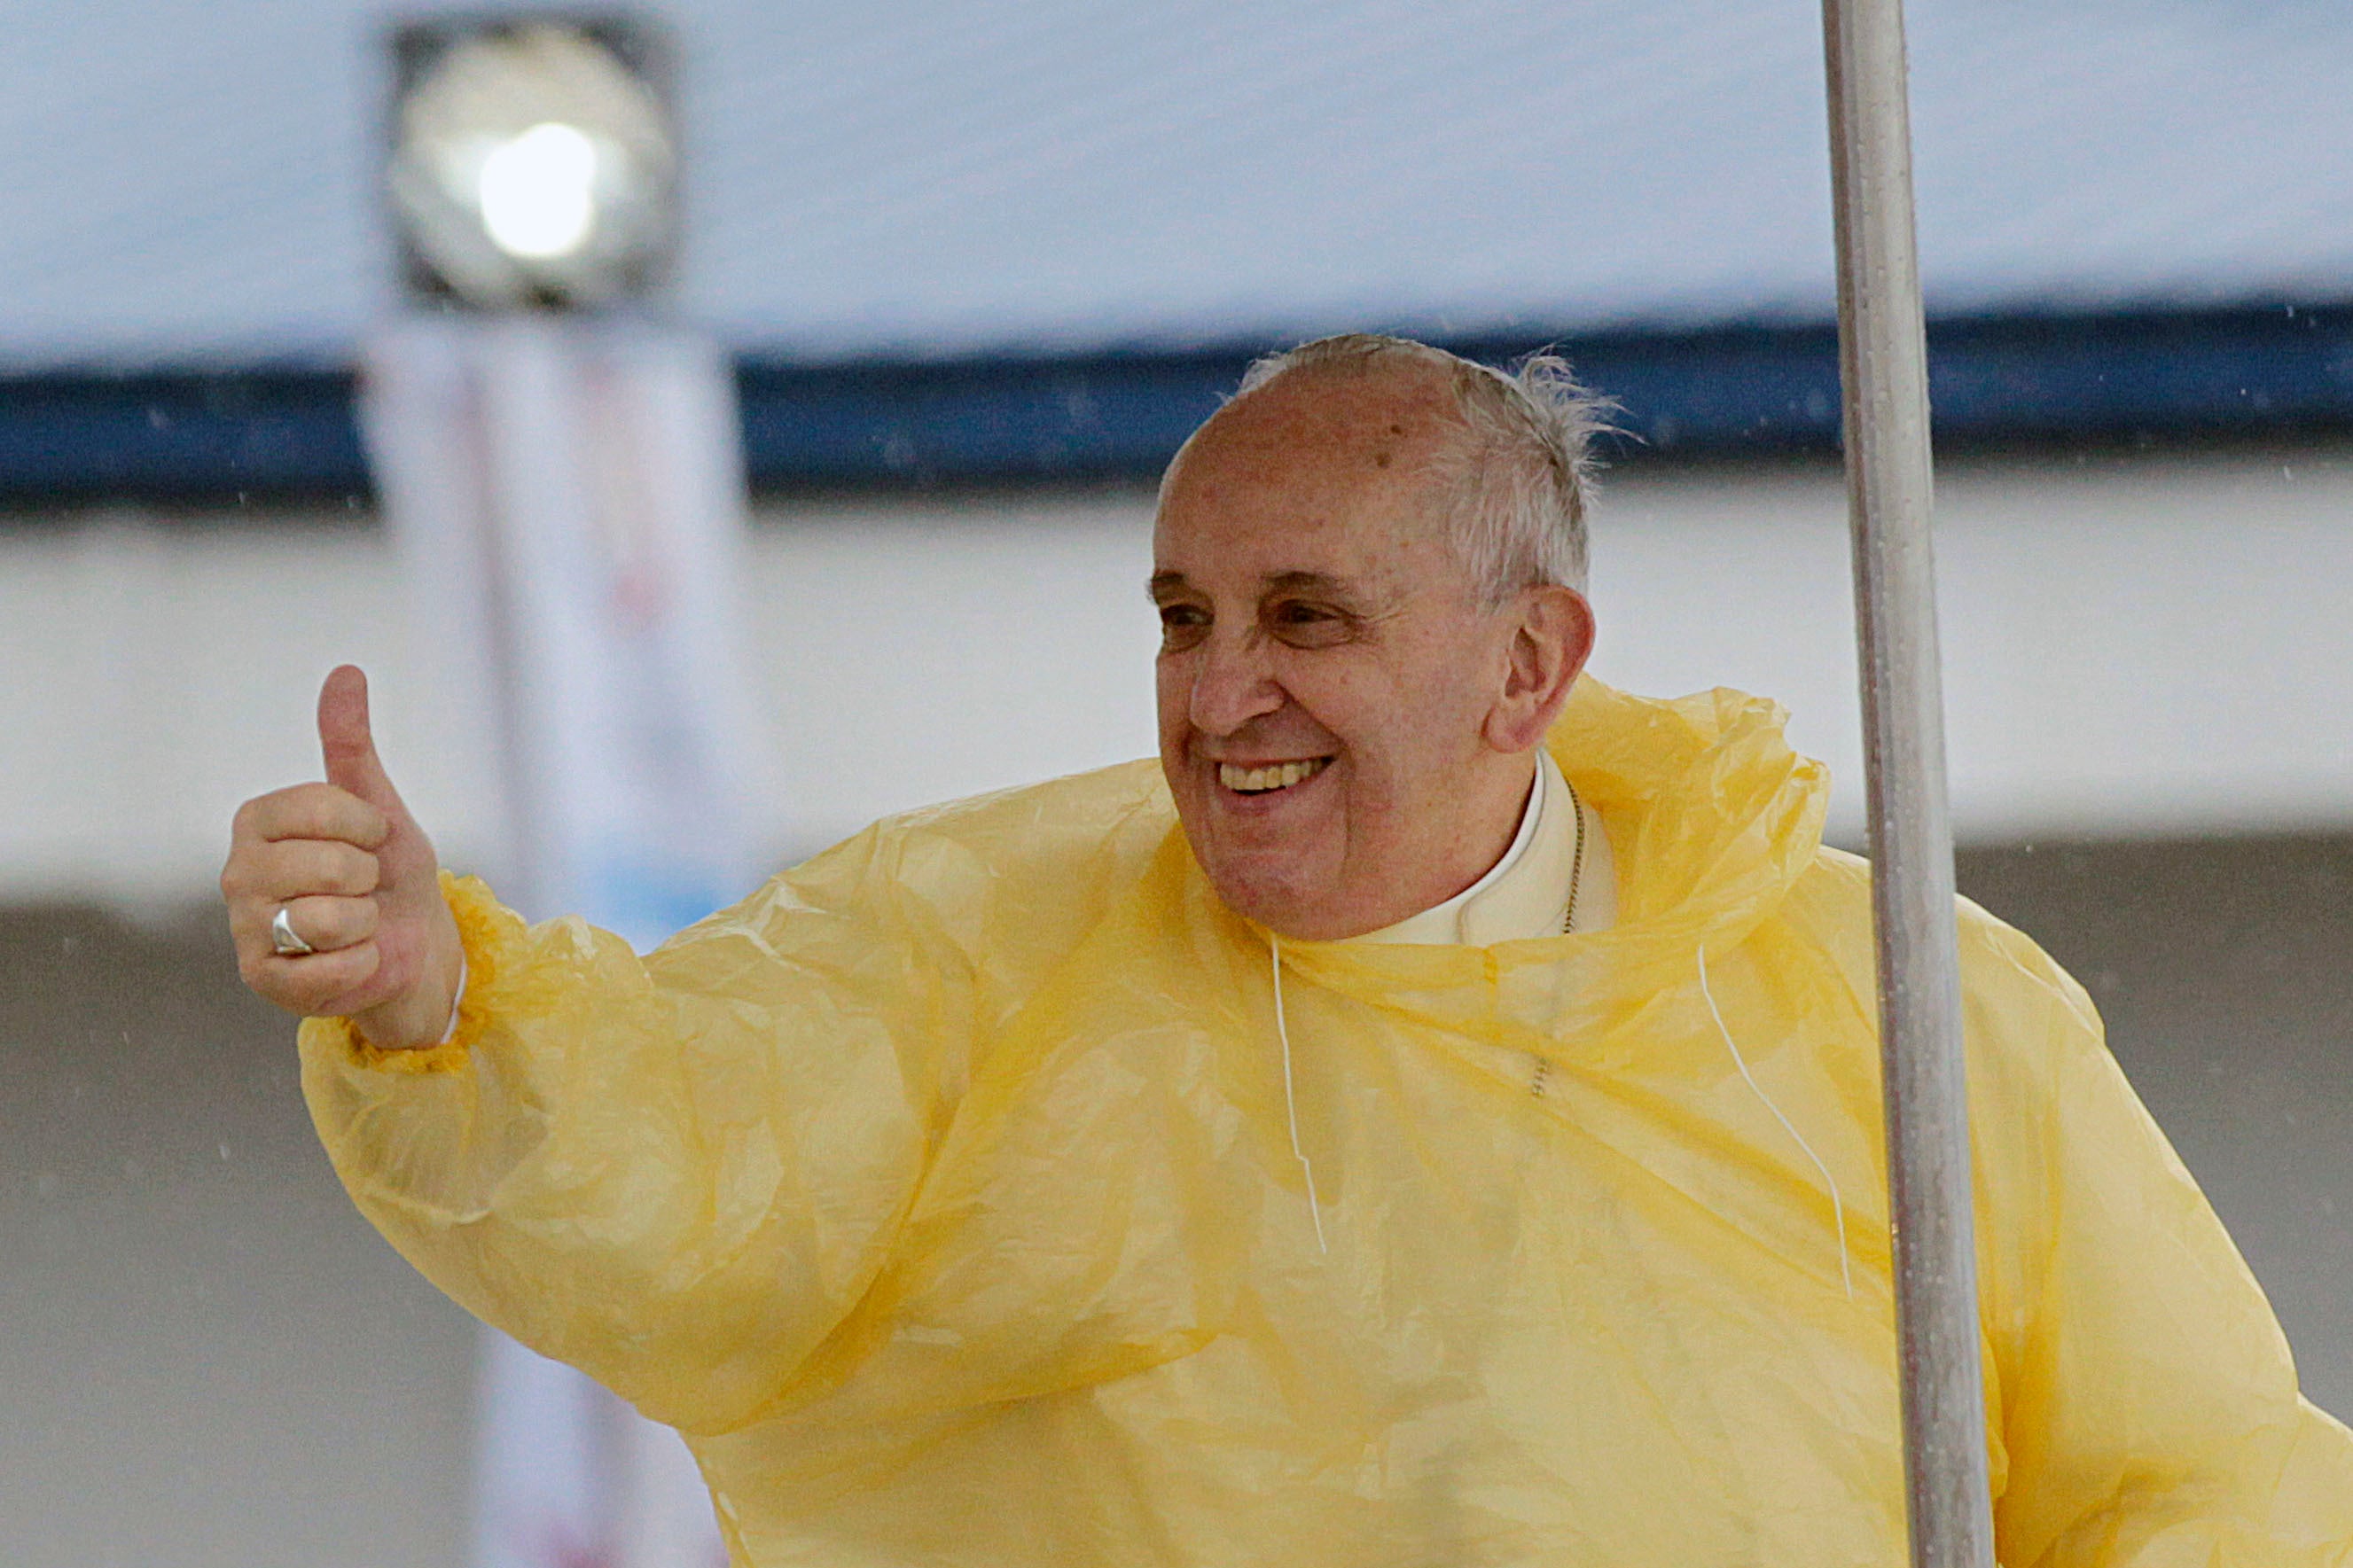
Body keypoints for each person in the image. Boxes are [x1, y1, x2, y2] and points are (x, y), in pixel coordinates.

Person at [223, 335, 2353, 1565]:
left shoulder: (1896, 1003)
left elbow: (2204, 1490)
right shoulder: (987, 952)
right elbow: (680, 1162)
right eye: (1182, 615)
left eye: (1303, 618)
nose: (1217, 691)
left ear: (1531, 666)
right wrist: (441, 1000)